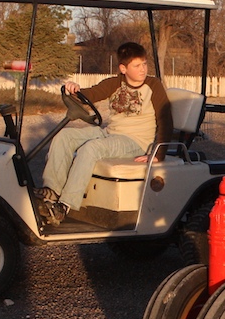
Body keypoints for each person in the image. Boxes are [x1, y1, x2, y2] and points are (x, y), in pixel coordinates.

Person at [37, 42, 173, 226]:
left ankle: (65, 205)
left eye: (144, 64)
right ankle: (51, 193)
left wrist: (158, 154)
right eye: (137, 65)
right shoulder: (115, 83)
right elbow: (91, 94)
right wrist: (74, 89)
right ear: (123, 68)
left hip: (136, 141)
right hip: (111, 134)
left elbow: (165, 119)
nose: (142, 69)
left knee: (91, 148)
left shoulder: (153, 86)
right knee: (65, 136)